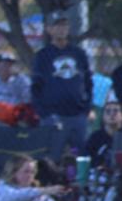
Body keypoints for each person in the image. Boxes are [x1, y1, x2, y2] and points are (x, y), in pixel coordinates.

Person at [31, 14, 94, 150]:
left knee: (80, 156)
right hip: (53, 116)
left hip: (77, 115)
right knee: (52, 157)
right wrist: (43, 113)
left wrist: (86, 108)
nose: (61, 29)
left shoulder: (79, 53)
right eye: (57, 25)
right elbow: (36, 86)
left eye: (64, 25)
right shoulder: (42, 55)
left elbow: (88, 82)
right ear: (49, 29)